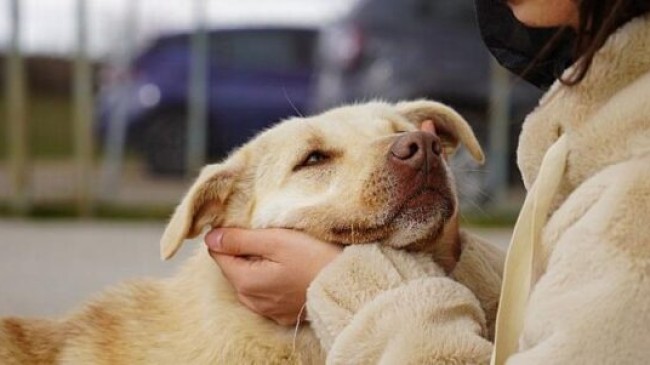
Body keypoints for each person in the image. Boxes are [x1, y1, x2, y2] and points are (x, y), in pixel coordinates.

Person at [206, 0, 650, 363]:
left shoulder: (635, 182)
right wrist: (452, 261)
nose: (413, 149)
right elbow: (561, 325)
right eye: (317, 158)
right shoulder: (611, 127)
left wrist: (348, 289)